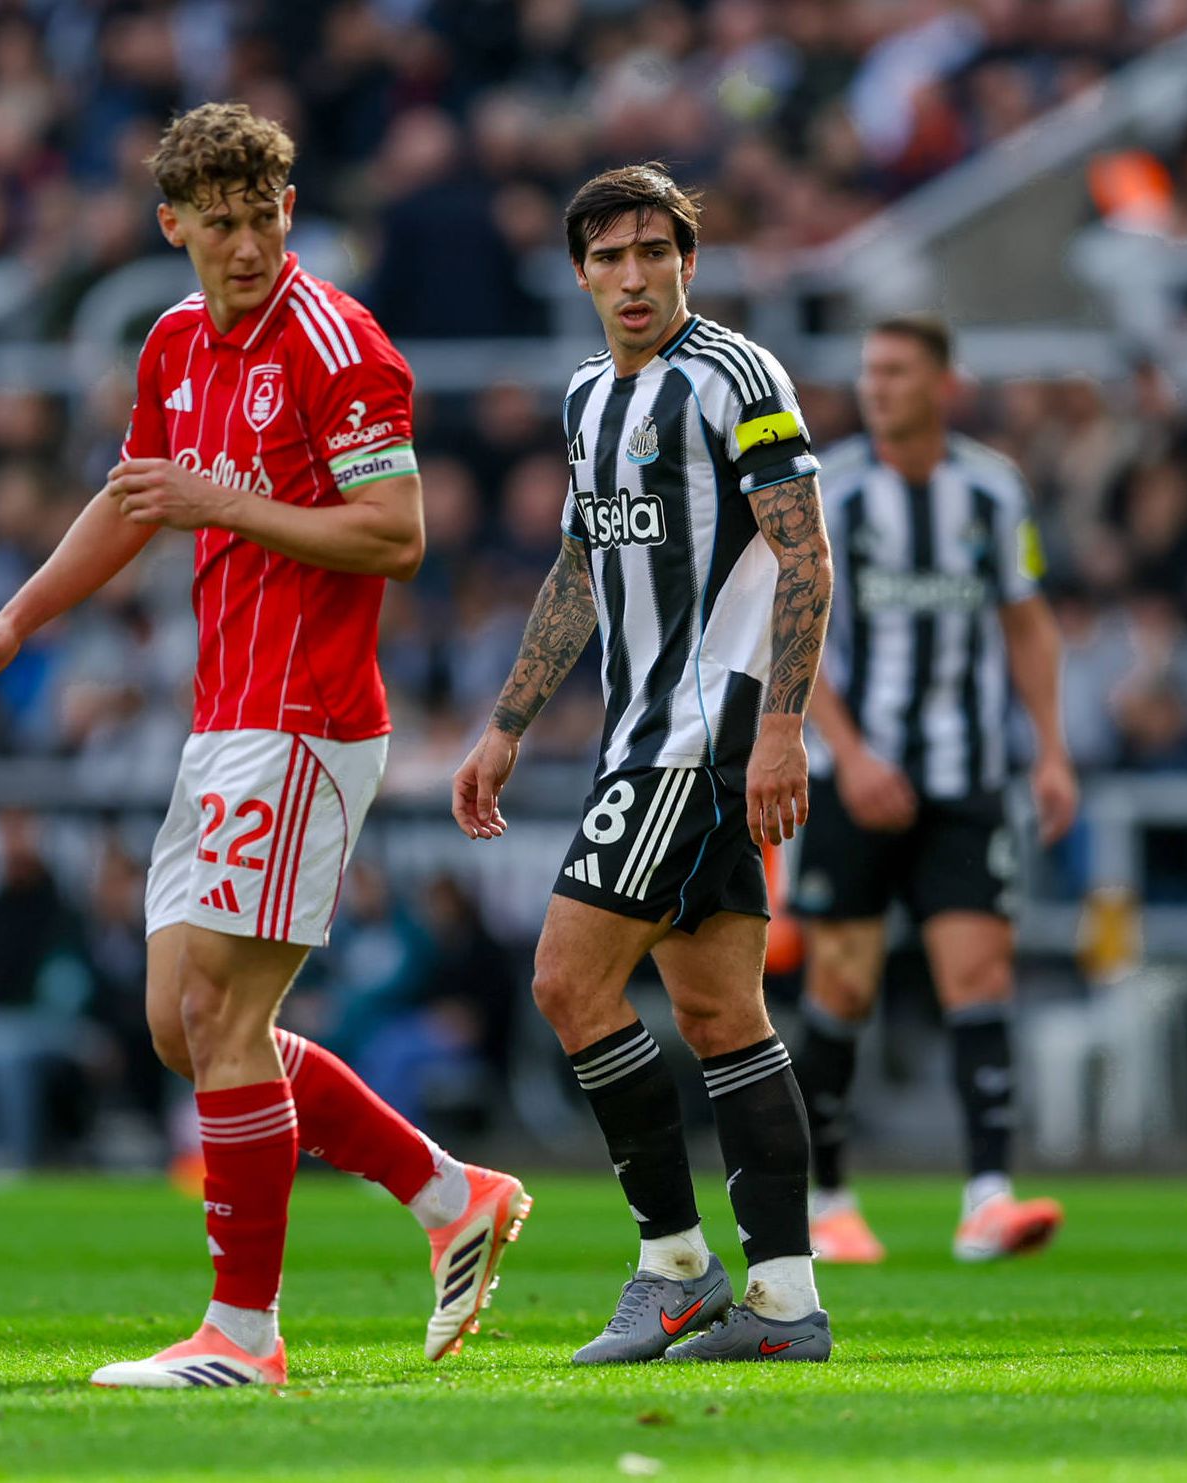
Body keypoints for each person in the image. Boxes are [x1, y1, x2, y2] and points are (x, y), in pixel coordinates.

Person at [0, 103, 529, 1390]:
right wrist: (17, 617)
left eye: (266, 217)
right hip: (226, 722)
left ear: (289, 213)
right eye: (221, 222)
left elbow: (395, 533)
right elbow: (131, 495)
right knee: (182, 1022)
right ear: (175, 228)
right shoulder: (170, 342)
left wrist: (226, 502)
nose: (249, 243)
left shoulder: (339, 342)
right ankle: (448, 1194)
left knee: (218, 1009)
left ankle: (242, 1335)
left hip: (310, 718)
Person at [452, 164, 835, 1365]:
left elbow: (805, 554)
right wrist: (508, 720)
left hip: (696, 741)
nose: (633, 276)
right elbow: (580, 569)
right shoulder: (584, 400)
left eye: (654, 253)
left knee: (567, 983)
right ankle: (782, 1302)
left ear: (688, 261)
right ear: (579, 271)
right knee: (723, 1013)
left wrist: (781, 725)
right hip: (640, 734)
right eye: (609, 257)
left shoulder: (737, 377)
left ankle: (673, 1264)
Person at [788, 315, 1078, 1266]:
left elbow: (1028, 626)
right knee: (840, 983)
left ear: (943, 383)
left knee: (980, 974)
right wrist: (853, 753)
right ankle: (828, 1199)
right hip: (850, 776)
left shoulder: (993, 490)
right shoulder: (832, 488)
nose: (878, 385)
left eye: (898, 370)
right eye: (869, 369)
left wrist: (1052, 752)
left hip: (965, 775)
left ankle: (987, 1197)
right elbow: (796, 635)